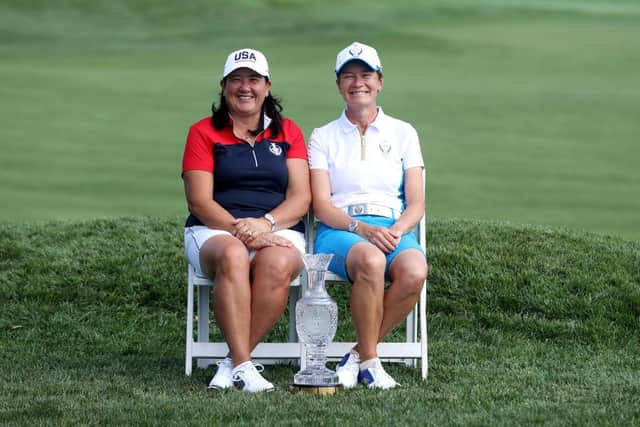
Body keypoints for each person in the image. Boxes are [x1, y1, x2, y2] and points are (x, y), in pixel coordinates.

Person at [182, 48, 310, 393]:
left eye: (253, 79)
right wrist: (242, 230)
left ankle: (232, 363)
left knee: (279, 261)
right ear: (223, 86)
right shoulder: (203, 132)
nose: (245, 87)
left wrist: (265, 225)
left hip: (277, 227)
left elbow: (300, 198)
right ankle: (243, 364)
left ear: (267, 86)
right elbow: (199, 200)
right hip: (212, 230)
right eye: (236, 79)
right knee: (232, 254)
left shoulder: (289, 132)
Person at [308, 42, 428, 390]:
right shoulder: (322, 136)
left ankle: (357, 354)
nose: (357, 83)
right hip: (341, 228)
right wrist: (361, 228)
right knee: (372, 261)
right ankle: (372, 364)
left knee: (415, 270)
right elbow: (321, 205)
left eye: (365, 76)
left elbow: (416, 202)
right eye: (348, 77)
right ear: (338, 85)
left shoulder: (403, 132)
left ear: (379, 82)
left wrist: (396, 230)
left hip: (393, 225)